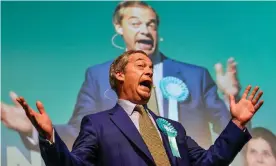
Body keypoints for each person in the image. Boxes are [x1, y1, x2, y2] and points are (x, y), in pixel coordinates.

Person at [1, 1, 241, 151]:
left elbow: (226, 130)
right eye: (135, 23)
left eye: (151, 24)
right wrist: (37, 130)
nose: (145, 30)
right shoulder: (97, 76)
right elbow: (77, 132)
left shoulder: (195, 76)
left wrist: (234, 102)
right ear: (119, 27)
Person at [17, 50, 263, 166]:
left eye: (151, 68)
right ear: (119, 74)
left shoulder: (173, 129)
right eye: (140, 65)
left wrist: (237, 124)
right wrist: (49, 137)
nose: (149, 70)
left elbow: (208, 162)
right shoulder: (98, 124)